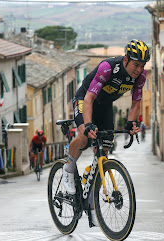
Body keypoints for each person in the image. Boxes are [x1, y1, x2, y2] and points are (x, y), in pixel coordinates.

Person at [62, 39, 150, 226]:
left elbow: (135, 104)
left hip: (105, 106)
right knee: (85, 138)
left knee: (105, 149)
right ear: (126, 59)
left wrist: (131, 123)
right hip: (84, 100)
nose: (138, 69)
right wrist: (87, 124)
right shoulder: (107, 68)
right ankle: (68, 168)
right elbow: (89, 98)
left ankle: (93, 203)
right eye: (136, 64)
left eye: (142, 66)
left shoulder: (140, 78)